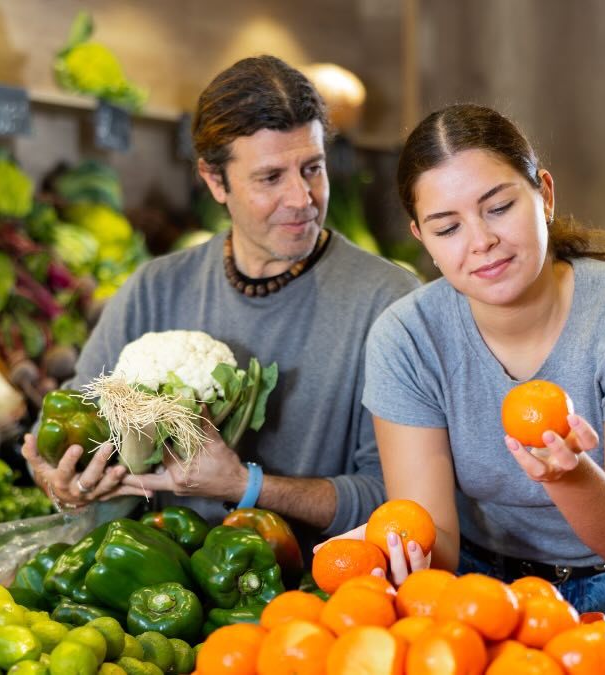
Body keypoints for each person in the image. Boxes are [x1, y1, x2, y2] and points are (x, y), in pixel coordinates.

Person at [21, 55, 419, 551]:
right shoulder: (155, 289)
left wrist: (243, 485)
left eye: (312, 168)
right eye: (271, 178)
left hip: (323, 599)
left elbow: (400, 502)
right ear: (214, 181)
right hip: (159, 590)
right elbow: (68, 424)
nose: (302, 198)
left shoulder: (391, 303)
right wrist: (63, 479)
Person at [358, 103, 605, 630]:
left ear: (544, 194)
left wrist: (570, 477)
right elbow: (438, 538)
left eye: (498, 207)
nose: (480, 242)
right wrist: (406, 560)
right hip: (494, 596)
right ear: (422, 240)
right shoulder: (407, 337)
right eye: (447, 227)